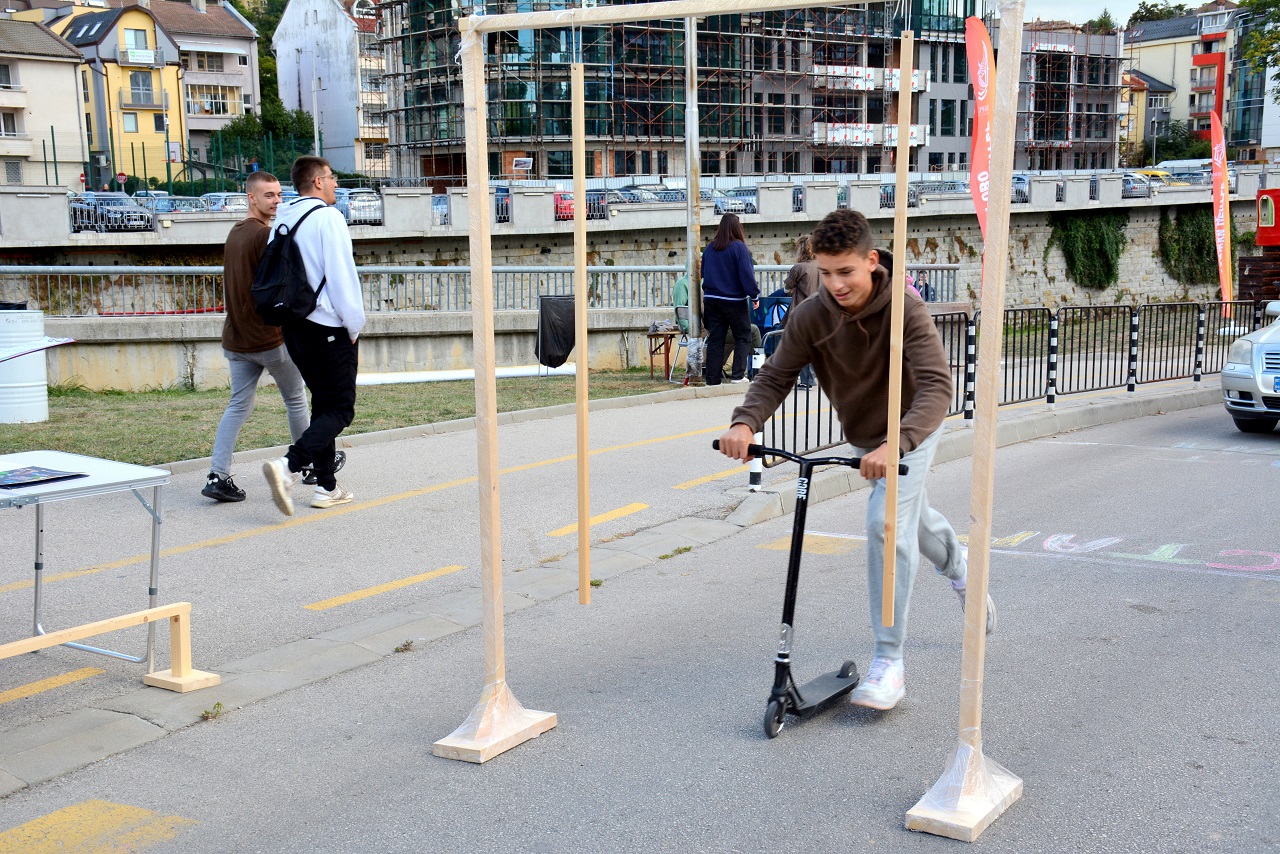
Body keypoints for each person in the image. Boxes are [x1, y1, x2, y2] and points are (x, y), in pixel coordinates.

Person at [716, 208, 995, 712]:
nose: (835, 284)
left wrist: (898, 442)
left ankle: (889, 661)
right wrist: (744, 422)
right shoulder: (811, 317)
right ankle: (961, 567)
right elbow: (776, 376)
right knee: (912, 521)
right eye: (825, 273)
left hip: (911, 430)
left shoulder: (905, 309)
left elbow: (937, 387)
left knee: (886, 522)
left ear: (871, 261)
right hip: (866, 437)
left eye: (845, 271)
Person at [261, 156, 365, 516]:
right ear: (317, 181)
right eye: (332, 177)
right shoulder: (327, 217)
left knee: (323, 402)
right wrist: (354, 325)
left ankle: (326, 486)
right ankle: (287, 466)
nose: (336, 183)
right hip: (327, 326)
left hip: (293, 326)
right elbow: (342, 276)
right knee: (340, 409)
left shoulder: (284, 218)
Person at [202, 171, 311, 503]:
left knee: (238, 405)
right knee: (296, 398)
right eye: (269, 195)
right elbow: (284, 285)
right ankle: (310, 465)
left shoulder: (235, 232)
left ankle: (217, 475)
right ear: (251, 197)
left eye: (279, 194)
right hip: (268, 337)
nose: (277, 201)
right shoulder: (266, 235)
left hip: (237, 338)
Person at [700, 213, 759, 385]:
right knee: (743, 335)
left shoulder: (710, 248)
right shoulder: (739, 247)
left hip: (711, 300)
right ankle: (738, 375)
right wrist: (754, 295)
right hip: (733, 300)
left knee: (716, 339)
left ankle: (712, 379)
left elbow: (703, 273)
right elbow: (747, 275)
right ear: (737, 228)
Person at [783, 234, 819, 305]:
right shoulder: (824, 267)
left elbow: (786, 290)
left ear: (801, 251)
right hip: (819, 306)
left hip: (801, 306)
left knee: (778, 293)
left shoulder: (798, 268)